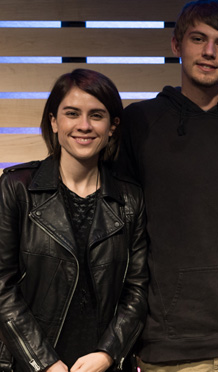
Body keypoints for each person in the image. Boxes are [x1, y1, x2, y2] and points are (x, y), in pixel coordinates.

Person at [117, 0, 218, 371]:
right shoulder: (141, 122)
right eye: (198, 38)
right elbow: (121, 223)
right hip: (168, 339)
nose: (209, 52)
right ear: (176, 45)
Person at [0, 69, 148, 372]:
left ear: (112, 127)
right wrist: (45, 362)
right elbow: (2, 286)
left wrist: (108, 354)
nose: (84, 125)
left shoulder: (130, 198)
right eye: (72, 113)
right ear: (54, 121)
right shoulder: (16, 188)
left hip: (102, 365)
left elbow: (138, 289)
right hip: (31, 363)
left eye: (96, 115)